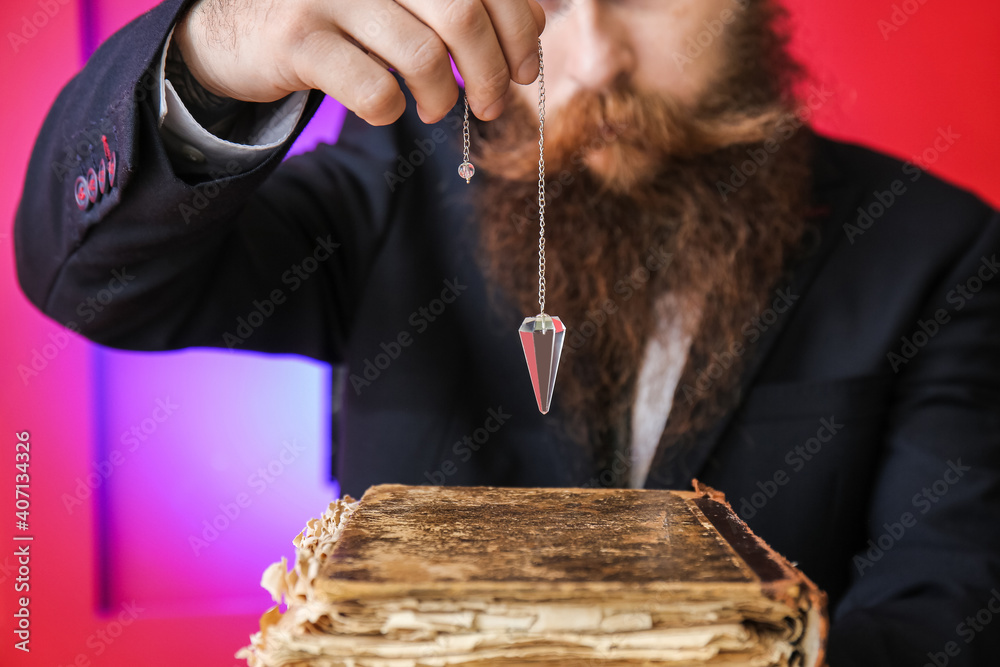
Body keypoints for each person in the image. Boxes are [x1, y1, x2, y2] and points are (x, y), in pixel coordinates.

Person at [14, 0, 1000, 664]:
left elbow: (949, 598)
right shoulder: (390, 188)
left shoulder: (932, 247)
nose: (597, 59)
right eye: (546, 1)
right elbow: (91, 279)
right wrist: (216, 47)